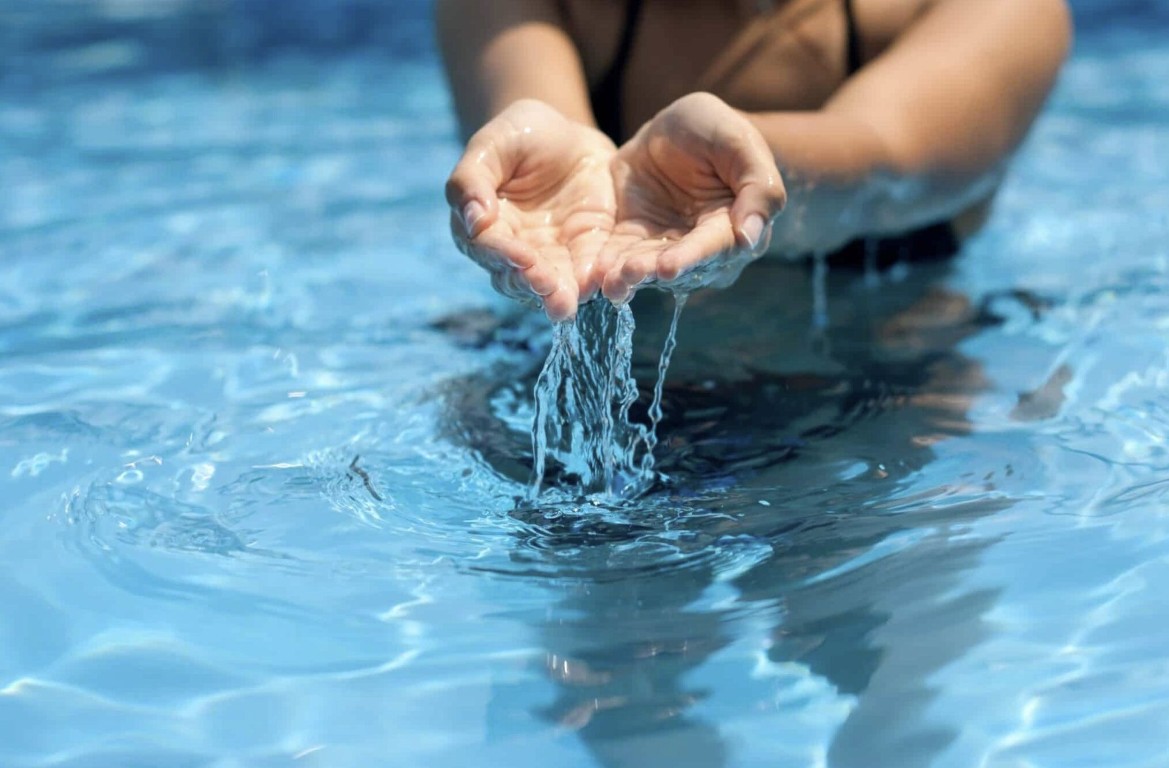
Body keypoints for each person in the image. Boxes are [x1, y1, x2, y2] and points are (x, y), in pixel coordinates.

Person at [436, 0, 1071, 321]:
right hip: (611, 398)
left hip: (893, 386)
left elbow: (883, 169)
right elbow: (541, 130)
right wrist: (542, 166)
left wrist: (745, 172)